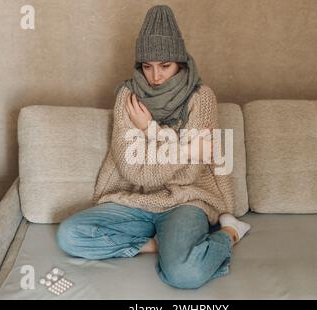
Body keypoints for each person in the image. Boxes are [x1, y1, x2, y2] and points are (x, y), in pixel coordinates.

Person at [56, 4, 250, 289]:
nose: (155, 76)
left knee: (185, 275)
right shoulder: (127, 96)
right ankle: (154, 245)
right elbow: (135, 173)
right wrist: (185, 150)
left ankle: (231, 232)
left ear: (181, 63)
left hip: (186, 201)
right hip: (133, 199)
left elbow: (189, 174)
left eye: (165, 66)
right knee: (68, 235)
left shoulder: (201, 97)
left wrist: (149, 130)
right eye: (147, 66)